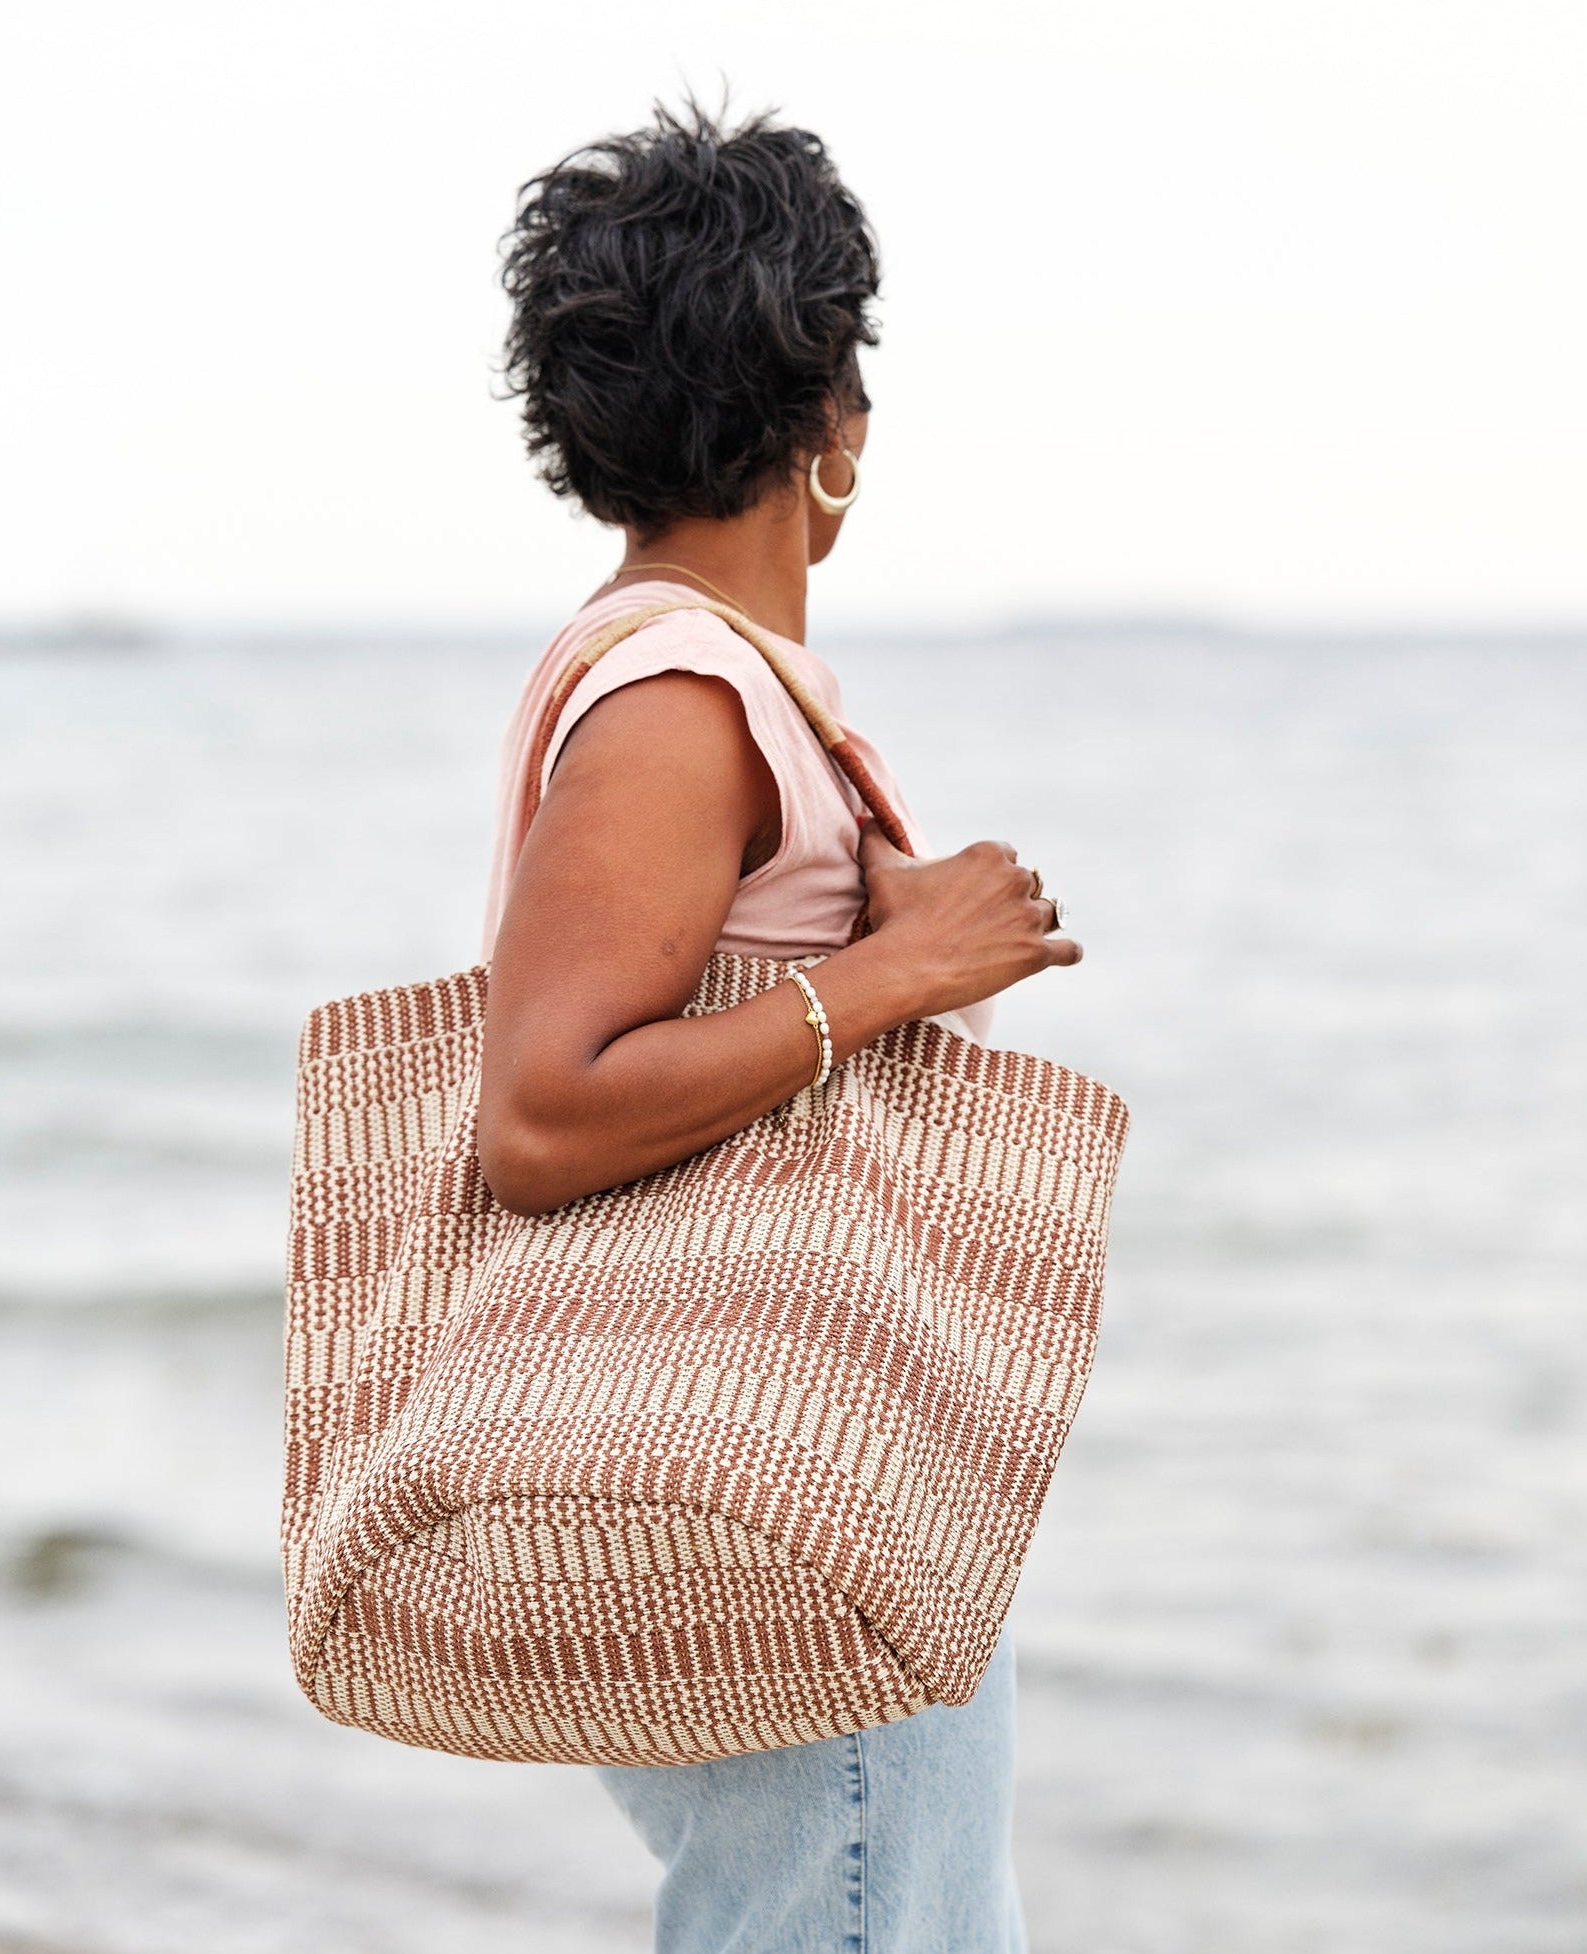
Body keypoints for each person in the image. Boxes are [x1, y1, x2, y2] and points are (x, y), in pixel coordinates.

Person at [477, 102, 1081, 1954]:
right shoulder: (679, 696)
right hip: (765, 1485)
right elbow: (542, 1114)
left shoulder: (690, 676)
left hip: (748, 1470)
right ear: (832, 423)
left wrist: (867, 916)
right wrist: (889, 975)